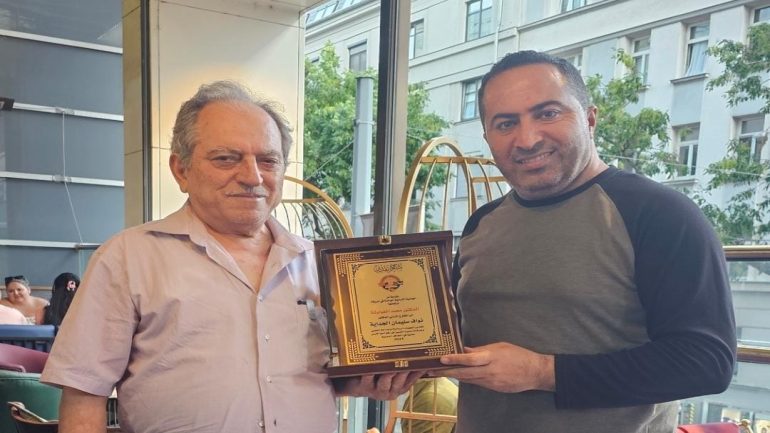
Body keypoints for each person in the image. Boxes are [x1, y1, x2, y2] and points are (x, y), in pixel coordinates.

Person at [41, 81, 421, 433]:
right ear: (181, 169)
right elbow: (83, 392)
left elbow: (321, 376)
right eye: (226, 158)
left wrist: (368, 380)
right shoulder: (128, 257)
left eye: (268, 160)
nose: (252, 176)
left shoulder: (318, 264)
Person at [434, 51, 737, 433]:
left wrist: (543, 372)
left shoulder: (659, 214)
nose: (527, 139)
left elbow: (707, 362)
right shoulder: (481, 224)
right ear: (487, 138)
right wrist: (388, 367)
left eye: (547, 113)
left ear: (590, 119)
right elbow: (450, 339)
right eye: (506, 123)